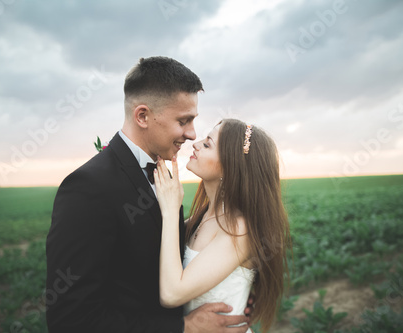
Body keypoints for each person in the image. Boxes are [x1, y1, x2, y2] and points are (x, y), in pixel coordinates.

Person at [45, 57, 254, 332]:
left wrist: (237, 287)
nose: (192, 134)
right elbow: (71, 320)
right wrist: (183, 328)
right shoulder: (87, 189)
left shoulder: (165, 177)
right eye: (184, 120)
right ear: (142, 116)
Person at [154, 119, 293, 333]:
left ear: (230, 167)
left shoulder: (239, 229)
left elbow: (172, 294)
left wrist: (171, 209)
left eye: (208, 144)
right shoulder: (202, 217)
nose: (195, 143)